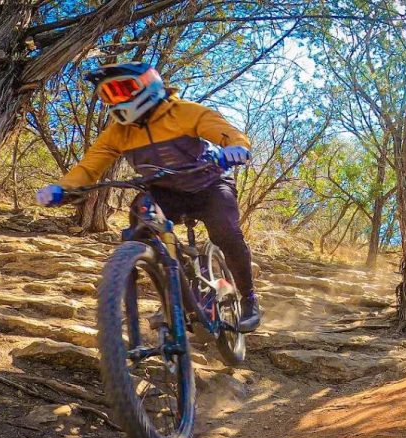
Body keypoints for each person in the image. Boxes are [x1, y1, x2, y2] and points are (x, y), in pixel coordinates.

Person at [34, 62, 261, 332]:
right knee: (140, 228)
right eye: (109, 95)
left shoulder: (185, 112)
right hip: (165, 191)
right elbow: (88, 168)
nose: (117, 100)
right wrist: (62, 188)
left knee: (225, 232)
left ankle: (248, 299)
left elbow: (227, 132)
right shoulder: (118, 133)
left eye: (123, 90)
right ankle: (172, 297)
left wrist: (235, 148)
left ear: (149, 85)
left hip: (210, 184)